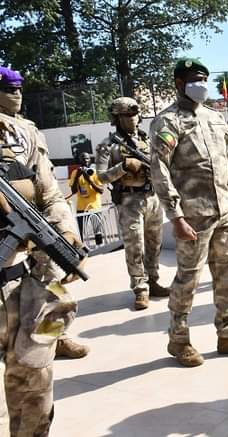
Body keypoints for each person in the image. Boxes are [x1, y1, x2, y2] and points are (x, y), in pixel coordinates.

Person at [150, 58, 228, 367]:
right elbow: (159, 171)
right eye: (194, 79)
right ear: (179, 83)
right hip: (193, 216)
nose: (201, 84)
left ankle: (227, 334)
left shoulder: (215, 118)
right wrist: (176, 217)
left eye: (203, 78)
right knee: (188, 279)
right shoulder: (168, 121)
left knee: (225, 275)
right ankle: (178, 339)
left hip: (223, 211)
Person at [0, 111, 84, 436]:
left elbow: (49, 194)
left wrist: (66, 233)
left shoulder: (16, 139)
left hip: (26, 285)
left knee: (36, 393)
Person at [0, 66, 89, 360]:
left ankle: (54, 340)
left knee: (61, 303)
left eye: (18, 89)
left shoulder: (28, 131)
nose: (16, 95)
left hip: (38, 235)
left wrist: (66, 232)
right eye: (8, 89)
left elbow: (49, 192)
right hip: (12, 243)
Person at [96, 97, 171, 311]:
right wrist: (123, 167)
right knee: (134, 246)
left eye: (135, 114)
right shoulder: (107, 145)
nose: (133, 119)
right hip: (129, 200)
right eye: (127, 115)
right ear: (117, 118)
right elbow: (100, 177)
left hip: (152, 197)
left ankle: (153, 280)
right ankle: (140, 288)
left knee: (154, 243)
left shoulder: (147, 140)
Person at [68, 152, 104, 245]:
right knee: (81, 231)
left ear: (90, 160)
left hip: (94, 206)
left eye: (87, 158)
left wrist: (89, 180)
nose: (85, 161)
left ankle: (99, 247)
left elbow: (101, 191)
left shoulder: (95, 172)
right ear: (79, 160)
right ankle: (82, 250)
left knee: (97, 230)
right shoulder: (75, 173)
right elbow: (74, 191)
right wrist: (77, 177)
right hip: (81, 207)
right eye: (83, 159)